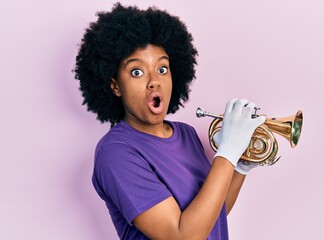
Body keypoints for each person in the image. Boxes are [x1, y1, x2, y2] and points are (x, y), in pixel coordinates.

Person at [74, 3, 265, 239]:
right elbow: (181, 235)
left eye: (162, 68)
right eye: (137, 71)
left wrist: (238, 167)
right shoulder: (115, 152)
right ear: (115, 85)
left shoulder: (186, 134)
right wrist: (226, 152)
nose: (154, 81)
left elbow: (214, 213)